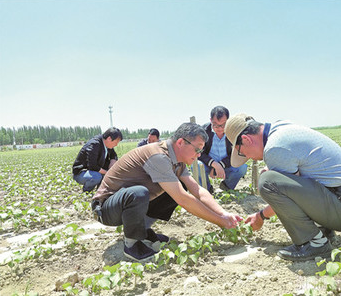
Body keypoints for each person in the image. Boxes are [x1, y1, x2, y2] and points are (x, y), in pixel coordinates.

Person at [224, 114, 341, 261]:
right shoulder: (281, 129)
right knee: (271, 175)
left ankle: (314, 244)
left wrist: (261, 216)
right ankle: (323, 231)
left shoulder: (274, 148)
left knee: (267, 182)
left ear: (246, 140)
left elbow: (290, 194)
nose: (250, 158)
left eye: (242, 152)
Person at [92, 122, 242, 262]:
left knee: (179, 186)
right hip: (106, 209)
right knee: (140, 193)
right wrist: (221, 222)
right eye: (197, 149)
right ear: (181, 142)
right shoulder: (159, 156)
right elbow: (184, 200)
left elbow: (197, 190)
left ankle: (142, 231)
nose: (198, 155)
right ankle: (132, 244)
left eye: (201, 151)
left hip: (124, 205)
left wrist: (224, 214)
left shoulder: (178, 161)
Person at [197, 106, 247, 192]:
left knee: (242, 168)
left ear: (228, 121)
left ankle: (226, 187)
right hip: (208, 164)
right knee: (197, 165)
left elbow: (235, 154)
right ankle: (207, 189)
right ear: (210, 120)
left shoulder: (234, 132)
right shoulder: (203, 131)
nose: (219, 128)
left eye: (223, 125)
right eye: (215, 125)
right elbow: (199, 153)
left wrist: (220, 165)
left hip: (227, 164)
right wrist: (214, 164)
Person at [72, 127, 123, 193]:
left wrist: (112, 163)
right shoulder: (95, 144)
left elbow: (113, 155)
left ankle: (99, 192)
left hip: (94, 171)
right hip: (82, 173)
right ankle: (87, 191)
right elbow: (93, 166)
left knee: (105, 174)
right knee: (97, 176)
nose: (116, 145)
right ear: (109, 138)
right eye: (116, 142)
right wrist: (108, 173)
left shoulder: (106, 144)